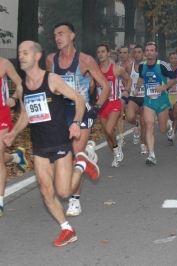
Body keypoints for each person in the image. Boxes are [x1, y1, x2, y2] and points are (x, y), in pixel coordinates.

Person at [4, 41, 99, 246]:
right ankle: (67, 229)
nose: (21, 56)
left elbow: (79, 99)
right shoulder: (22, 87)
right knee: (46, 190)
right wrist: (13, 133)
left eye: (25, 52)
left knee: (64, 192)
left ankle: (82, 163)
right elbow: (25, 115)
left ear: (37, 56)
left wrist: (75, 122)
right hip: (39, 147)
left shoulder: (52, 79)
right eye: (19, 53)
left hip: (60, 143)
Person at [46, 21, 111, 217]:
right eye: (55, 34)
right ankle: (88, 155)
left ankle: (75, 201)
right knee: (58, 158)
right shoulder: (51, 60)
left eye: (61, 33)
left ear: (72, 36)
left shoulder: (85, 60)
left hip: (80, 111)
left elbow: (106, 87)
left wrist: (95, 109)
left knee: (74, 155)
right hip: (59, 112)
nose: (57, 38)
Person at [134, 42, 176, 165]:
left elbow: (174, 78)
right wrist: (137, 88)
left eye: (152, 50)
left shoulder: (163, 65)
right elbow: (141, 78)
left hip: (162, 100)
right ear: (145, 53)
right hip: (149, 101)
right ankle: (151, 155)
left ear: (156, 53)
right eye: (147, 50)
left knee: (162, 128)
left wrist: (164, 87)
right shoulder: (142, 66)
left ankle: (169, 127)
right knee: (149, 125)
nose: (149, 52)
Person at [0, 57, 28, 217]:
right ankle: (16, 157)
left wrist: (15, 98)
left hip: (2, 116)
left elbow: (21, 83)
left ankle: (0, 202)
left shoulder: (3, 63)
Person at [96, 44, 132, 167]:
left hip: (114, 103)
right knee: (107, 135)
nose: (100, 54)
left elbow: (129, 79)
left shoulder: (116, 69)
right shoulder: (95, 70)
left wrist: (126, 91)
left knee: (109, 129)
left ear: (108, 54)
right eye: (98, 52)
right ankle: (116, 152)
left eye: (103, 51)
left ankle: (117, 149)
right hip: (101, 105)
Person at [126, 45, 148, 153]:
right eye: (135, 52)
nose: (137, 54)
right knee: (129, 117)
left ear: (143, 53)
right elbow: (125, 79)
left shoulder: (148, 65)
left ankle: (143, 144)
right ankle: (136, 124)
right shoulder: (130, 66)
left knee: (144, 122)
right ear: (133, 54)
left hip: (145, 97)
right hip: (133, 96)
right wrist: (127, 89)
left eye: (139, 52)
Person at [116, 45, 132, 148]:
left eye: (125, 52)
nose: (122, 55)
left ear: (129, 54)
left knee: (131, 117)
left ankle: (136, 125)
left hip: (132, 93)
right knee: (119, 114)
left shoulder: (133, 65)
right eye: (121, 53)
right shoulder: (117, 66)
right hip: (121, 93)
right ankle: (121, 137)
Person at [167, 52, 177, 143]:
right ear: (169, 59)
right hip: (167, 95)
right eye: (172, 58)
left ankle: (173, 136)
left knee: (175, 116)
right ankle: (170, 128)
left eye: (175, 58)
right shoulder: (165, 68)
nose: (173, 60)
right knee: (170, 116)